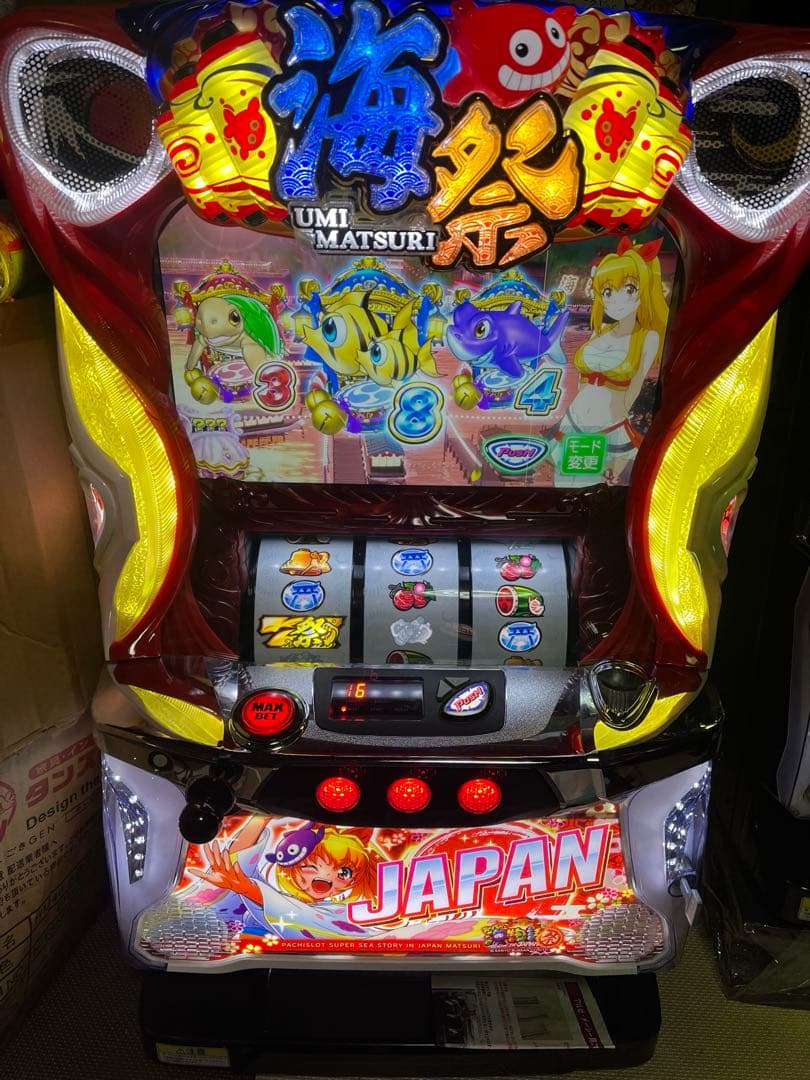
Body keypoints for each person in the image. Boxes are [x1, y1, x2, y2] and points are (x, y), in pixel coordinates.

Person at [557, 236, 669, 481]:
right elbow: (582, 379)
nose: (614, 300)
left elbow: (637, 383)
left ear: (646, 289)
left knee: (595, 487)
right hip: (575, 417)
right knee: (562, 480)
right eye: (607, 292)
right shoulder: (600, 331)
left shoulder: (647, 337)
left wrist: (620, 417)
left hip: (609, 425)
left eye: (628, 289)